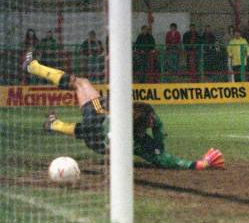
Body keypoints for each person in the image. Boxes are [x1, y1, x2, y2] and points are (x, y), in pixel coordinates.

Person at [22, 52, 224, 170]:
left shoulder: (118, 120)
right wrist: (200, 163)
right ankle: (53, 124)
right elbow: (163, 158)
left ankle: (33, 67)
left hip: (98, 124)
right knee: (88, 126)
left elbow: (110, 110)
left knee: (80, 82)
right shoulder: (141, 143)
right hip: (99, 143)